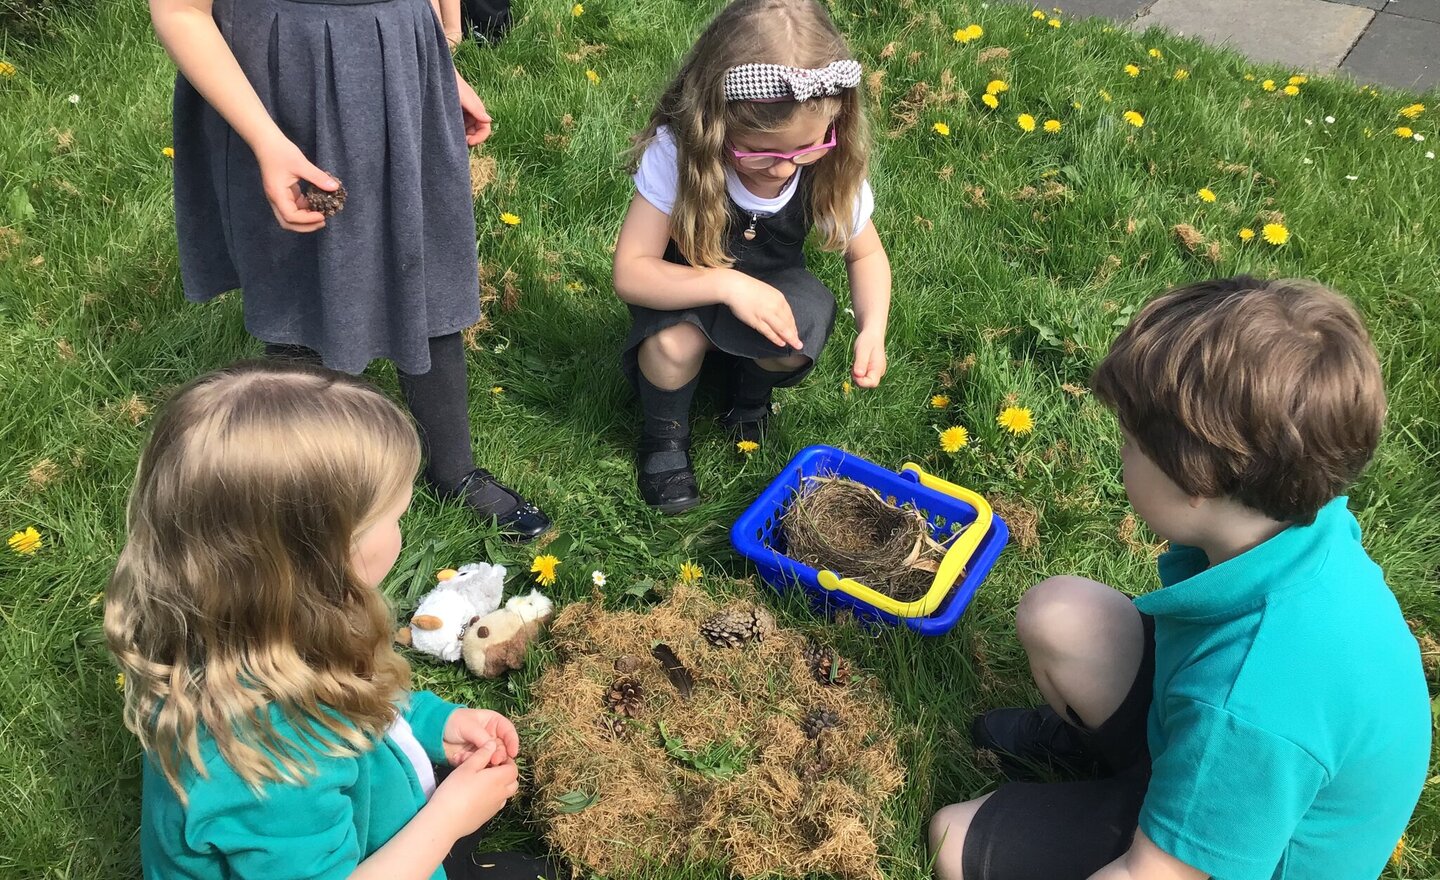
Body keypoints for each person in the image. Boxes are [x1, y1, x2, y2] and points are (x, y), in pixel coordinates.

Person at [929, 277, 1431, 880]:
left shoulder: (1249, 700)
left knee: (949, 839)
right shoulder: (1301, 524)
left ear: (1194, 484)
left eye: (1130, 443)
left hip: (1235, 844)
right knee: (1059, 614)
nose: (1120, 453)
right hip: (1227, 756)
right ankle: (1140, 774)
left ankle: (1162, 810)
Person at [105, 360, 563, 880]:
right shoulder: (269, 762)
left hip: (362, 817)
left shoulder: (250, 627)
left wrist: (436, 724)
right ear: (324, 556)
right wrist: (448, 820)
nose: (402, 531)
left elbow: (353, 691)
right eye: (394, 517)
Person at [151, 0, 549, 541]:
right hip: (283, 81)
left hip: (403, 57)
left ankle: (453, 469)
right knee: (304, 270)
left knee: (422, 258)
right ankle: (308, 483)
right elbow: (180, 11)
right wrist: (267, 141)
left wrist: (436, 63)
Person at [612, 0, 893, 514]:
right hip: (686, 285)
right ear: (712, 125)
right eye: (759, 153)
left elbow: (867, 254)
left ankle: (748, 395)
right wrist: (726, 284)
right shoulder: (677, 154)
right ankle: (665, 436)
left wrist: (872, 327)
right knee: (673, 344)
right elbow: (631, 271)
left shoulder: (825, 168)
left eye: (806, 149)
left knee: (800, 325)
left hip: (773, 284)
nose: (785, 170)